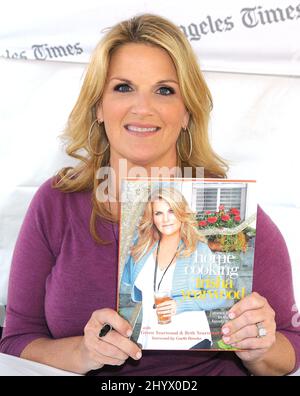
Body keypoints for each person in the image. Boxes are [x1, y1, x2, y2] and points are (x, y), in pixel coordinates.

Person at [0, 13, 299, 376]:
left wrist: (260, 347)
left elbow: (290, 346)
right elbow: (16, 341)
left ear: (186, 111)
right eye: (123, 87)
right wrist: (83, 352)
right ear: (98, 106)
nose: (143, 108)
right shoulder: (57, 203)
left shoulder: (225, 215)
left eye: (164, 90)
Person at [121, 187, 228, 350]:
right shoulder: (142, 248)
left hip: (190, 342)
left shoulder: (198, 249)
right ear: (152, 218)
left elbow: (220, 295)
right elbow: (122, 275)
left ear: (181, 212)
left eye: (171, 211)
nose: (165, 219)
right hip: (150, 342)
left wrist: (180, 304)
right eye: (158, 213)